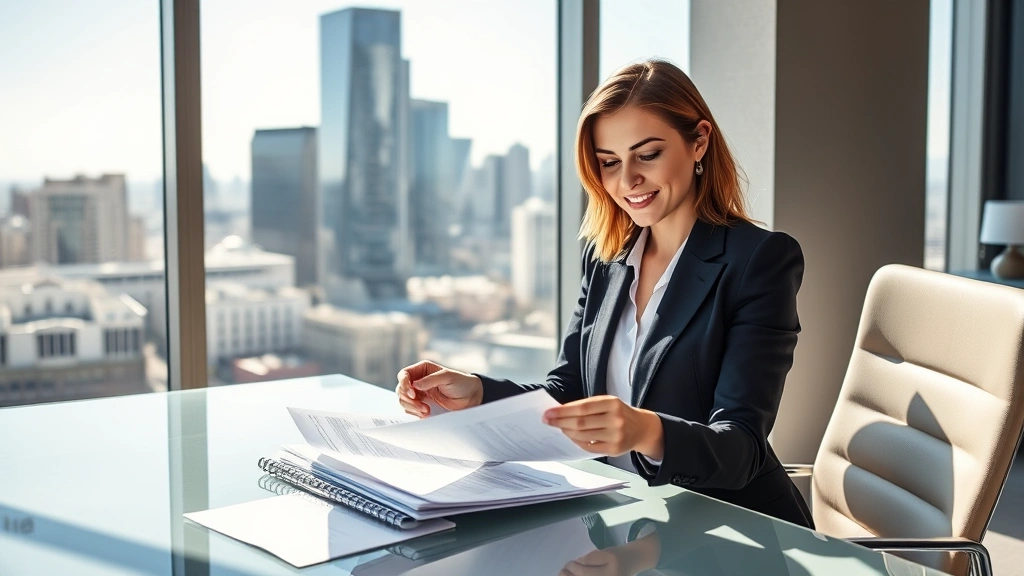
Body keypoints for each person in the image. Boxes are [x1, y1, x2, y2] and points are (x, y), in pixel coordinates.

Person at [395, 59, 812, 529]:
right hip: (620, 521)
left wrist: (643, 430)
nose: (626, 181)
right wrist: (476, 393)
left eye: (647, 154)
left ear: (699, 141)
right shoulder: (606, 257)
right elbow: (568, 393)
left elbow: (741, 449)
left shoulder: (759, 260)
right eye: (609, 162)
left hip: (727, 530)